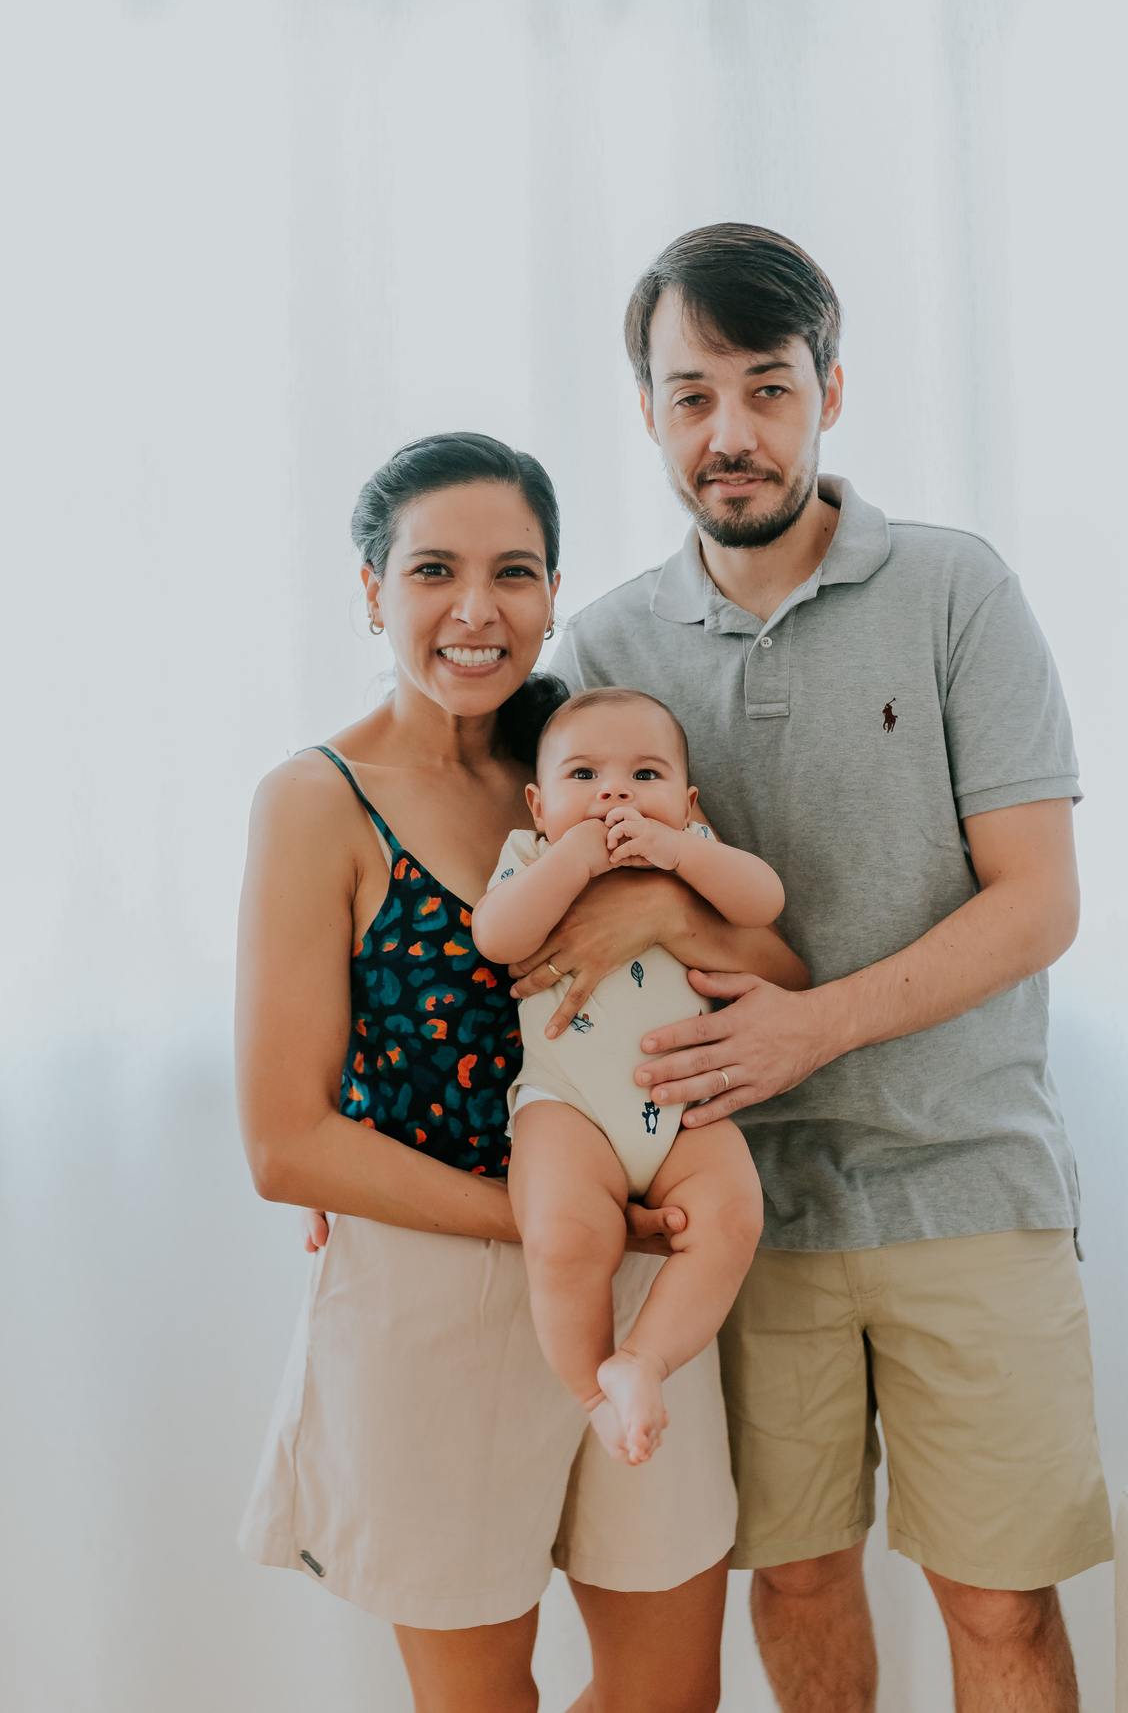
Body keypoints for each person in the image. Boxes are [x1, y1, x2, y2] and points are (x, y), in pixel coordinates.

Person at [518, 225, 1113, 1713]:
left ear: (831, 392)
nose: (732, 432)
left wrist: (811, 1027)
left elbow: (1037, 903)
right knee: (792, 1579)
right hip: (729, 1215)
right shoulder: (604, 648)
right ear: (647, 412)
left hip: (964, 1177)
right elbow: (536, 923)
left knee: (1000, 1606)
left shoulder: (957, 591)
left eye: (768, 387)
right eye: (692, 393)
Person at [234, 429, 807, 1713]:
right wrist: (560, 1228)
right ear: (371, 587)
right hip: (441, 1291)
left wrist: (653, 912)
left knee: (672, 1694)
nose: (477, 610)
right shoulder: (317, 799)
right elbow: (282, 1142)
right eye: (434, 569)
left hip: (647, 1287)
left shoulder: (587, 760)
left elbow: (777, 954)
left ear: (556, 594)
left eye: (518, 572)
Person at [472, 686, 778, 1466]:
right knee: (565, 1238)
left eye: (645, 775)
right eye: (584, 775)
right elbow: (499, 936)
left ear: (686, 799)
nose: (614, 793)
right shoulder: (533, 858)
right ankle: (592, 1392)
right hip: (567, 1105)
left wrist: (682, 853)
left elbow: (763, 901)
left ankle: (642, 1359)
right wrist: (572, 858)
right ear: (539, 805)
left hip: (684, 1110)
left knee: (734, 1214)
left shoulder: (693, 853)